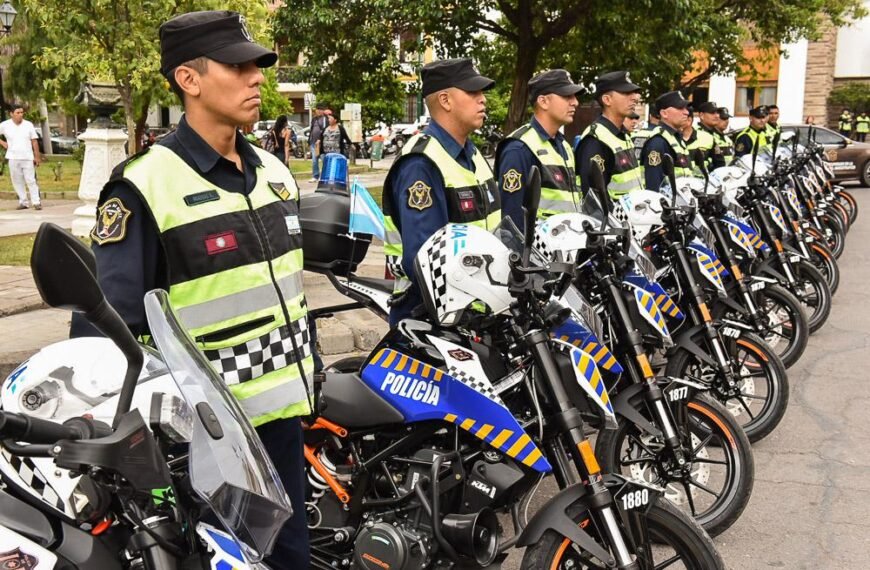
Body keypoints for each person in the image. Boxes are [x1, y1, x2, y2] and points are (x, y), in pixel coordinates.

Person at [68, 11, 316, 569]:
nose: (256, 77)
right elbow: (106, 331)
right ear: (189, 79)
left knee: (290, 560)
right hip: (205, 446)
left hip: (281, 427)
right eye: (237, 67)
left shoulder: (275, 173)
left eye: (257, 66)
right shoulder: (143, 186)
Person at [382, 58, 498, 326]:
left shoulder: (473, 155)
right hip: (433, 318)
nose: (483, 99)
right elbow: (425, 260)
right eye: (473, 92)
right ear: (445, 100)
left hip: (481, 308)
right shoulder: (421, 164)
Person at [496, 68, 582, 230]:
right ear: (543, 102)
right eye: (567, 96)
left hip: (569, 241)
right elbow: (512, 220)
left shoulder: (564, 145)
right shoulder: (519, 148)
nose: (575, 102)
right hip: (539, 245)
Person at [576, 70, 644, 200]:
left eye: (633, 93)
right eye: (626, 93)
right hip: (613, 214)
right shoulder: (596, 140)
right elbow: (594, 198)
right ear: (607, 100)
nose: (635, 98)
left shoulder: (623, 134)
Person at [640, 90, 692, 191]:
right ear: (664, 113)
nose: (686, 112)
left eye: (686, 108)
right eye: (680, 108)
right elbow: (655, 186)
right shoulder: (658, 142)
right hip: (669, 200)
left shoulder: (675, 137)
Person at [0, 104, 42, 210]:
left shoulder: (28, 125)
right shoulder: (5, 125)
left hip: (27, 157)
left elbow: (34, 141)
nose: (20, 115)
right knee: (17, 181)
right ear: (11, 114)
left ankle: (36, 202)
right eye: (17, 113)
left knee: (31, 180)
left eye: (22, 112)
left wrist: (37, 156)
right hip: (13, 157)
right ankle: (23, 202)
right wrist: (3, 143)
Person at [692, 101, 725, 170]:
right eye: (712, 113)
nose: (717, 116)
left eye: (717, 113)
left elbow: (719, 161)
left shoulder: (716, 134)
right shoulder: (694, 133)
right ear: (702, 115)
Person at [309, 102, 328, 180]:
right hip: (314, 143)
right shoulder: (314, 119)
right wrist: (309, 140)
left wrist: (320, 139)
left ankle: (325, 175)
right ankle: (315, 176)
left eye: (321, 109)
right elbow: (311, 129)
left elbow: (324, 130)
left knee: (324, 159)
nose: (319, 111)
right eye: (318, 109)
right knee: (314, 160)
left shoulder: (325, 119)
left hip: (322, 143)